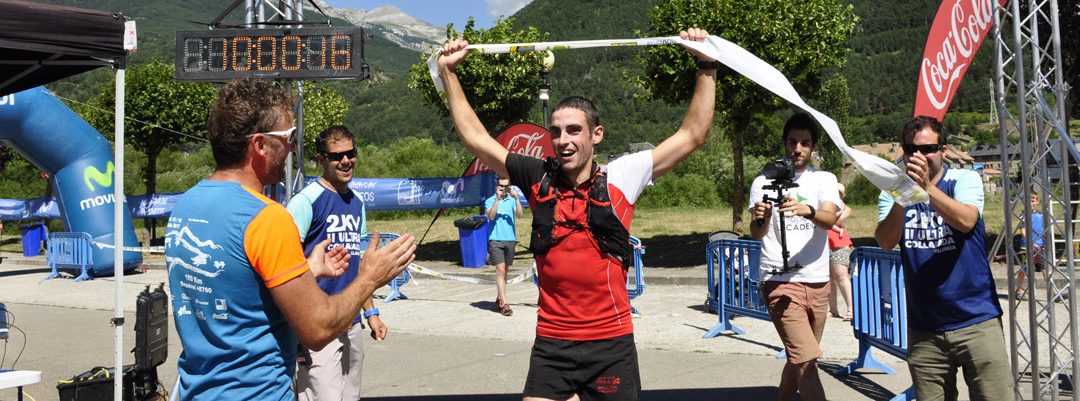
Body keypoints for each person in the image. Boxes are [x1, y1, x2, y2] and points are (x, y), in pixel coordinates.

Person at [438, 27, 717, 401]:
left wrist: (707, 65)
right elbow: (476, 139)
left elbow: (693, 133)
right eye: (556, 131)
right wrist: (449, 74)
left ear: (596, 134)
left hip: (609, 344)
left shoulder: (622, 175)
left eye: (574, 130)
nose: (563, 141)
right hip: (553, 344)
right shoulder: (537, 176)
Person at [165, 78, 416, 401]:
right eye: (289, 137)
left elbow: (238, 289)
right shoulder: (267, 218)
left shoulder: (185, 206)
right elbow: (318, 329)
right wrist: (369, 278)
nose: (293, 148)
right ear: (259, 145)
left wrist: (306, 270)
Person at [874, 116, 1012, 401]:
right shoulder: (892, 193)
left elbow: (966, 220)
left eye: (927, 149)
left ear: (943, 150)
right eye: (911, 149)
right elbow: (885, 242)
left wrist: (927, 188)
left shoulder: (963, 179)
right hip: (926, 328)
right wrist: (904, 194)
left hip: (976, 321)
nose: (919, 156)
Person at [287, 125, 387, 401]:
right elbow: (286, 266)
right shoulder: (306, 202)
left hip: (351, 321)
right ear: (321, 160)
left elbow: (358, 267)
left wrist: (371, 313)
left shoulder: (356, 202)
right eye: (336, 156)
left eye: (350, 153)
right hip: (318, 325)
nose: (345, 161)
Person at [748, 112, 840, 401]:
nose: (797, 149)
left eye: (805, 143)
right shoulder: (762, 182)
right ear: (784, 143)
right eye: (792, 142)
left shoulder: (824, 179)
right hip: (779, 280)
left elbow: (829, 219)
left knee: (802, 359)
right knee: (805, 361)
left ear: (813, 147)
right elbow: (757, 233)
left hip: (817, 281)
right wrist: (760, 217)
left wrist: (807, 211)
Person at [485, 175, 523, 316]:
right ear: (497, 186)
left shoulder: (512, 200)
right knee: (500, 271)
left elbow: (520, 216)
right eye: (501, 186)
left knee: (505, 271)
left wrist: (517, 199)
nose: (503, 189)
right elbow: (491, 217)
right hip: (495, 240)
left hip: (510, 239)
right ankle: (505, 304)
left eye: (506, 186)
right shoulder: (490, 200)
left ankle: (499, 297)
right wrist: (497, 199)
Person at [827, 183, 854, 321]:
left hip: (839, 241)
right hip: (825, 242)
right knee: (830, 278)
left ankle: (851, 309)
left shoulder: (842, 206)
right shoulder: (827, 205)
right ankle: (833, 309)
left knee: (841, 275)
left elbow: (835, 221)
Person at [1016, 192, 1045, 293]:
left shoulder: (1041, 215)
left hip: (1040, 247)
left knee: (1045, 270)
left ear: (1037, 202)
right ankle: (1018, 291)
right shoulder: (1023, 215)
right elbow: (1023, 232)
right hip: (1026, 247)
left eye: (1033, 201)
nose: (1031, 203)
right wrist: (1032, 243)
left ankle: (1055, 293)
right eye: (1029, 201)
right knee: (1024, 271)